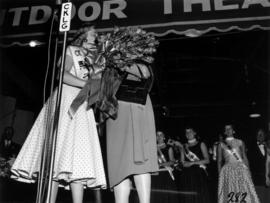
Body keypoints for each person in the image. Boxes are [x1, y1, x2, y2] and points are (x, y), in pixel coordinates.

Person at [11, 26, 107, 203]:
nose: (96, 35)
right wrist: (86, 86)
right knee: (56, 153)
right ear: (83, 36)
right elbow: (62, 75)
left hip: (83, 106)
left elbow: (97, 84)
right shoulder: (71, 50)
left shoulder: (97, 59)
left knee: (79, 156)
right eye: (93, 32)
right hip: (66, 99)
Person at [106, 63, 159, 203]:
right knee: (118, 163)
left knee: (139, 162)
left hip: (136, 103)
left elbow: (146, 73)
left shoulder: (142, 54)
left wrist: (116, 61)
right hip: (114, 107)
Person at [217, 124, 260, 203]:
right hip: (227, 171)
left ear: (233, 130)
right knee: (230, 192)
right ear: (224, 132)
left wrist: (249, 170)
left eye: (230, 128)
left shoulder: (240, 142)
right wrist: (220, 174)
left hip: (241, 169)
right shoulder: (221, 144)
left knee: (243, 191)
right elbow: (219, 161)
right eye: (226, 129)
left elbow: (244, 157)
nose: (228, 130)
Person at [179, 126, 211, 203]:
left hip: (199, 174)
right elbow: (182, 162)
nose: (188, 133)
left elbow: (207, 160)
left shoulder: (201, 144)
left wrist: (192, 163)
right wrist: (183, 164)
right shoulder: (183, 146)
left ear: (194, 133)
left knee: (201, 196)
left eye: (190, 131)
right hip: (188, 175)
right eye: (186, 132)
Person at [248, 128, 269, 202]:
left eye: (261, 134)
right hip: (257, 180)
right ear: (256, 136)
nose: (260, 136)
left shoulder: (268, 147)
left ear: (265, 136)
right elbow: (249, 165)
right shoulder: (251, 149)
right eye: (258, 134)